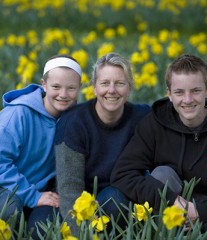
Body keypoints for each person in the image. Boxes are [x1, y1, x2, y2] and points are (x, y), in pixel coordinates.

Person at [111, 54, 207, 239]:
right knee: (162, 174)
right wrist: (171, 201)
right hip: (171, 208)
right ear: (169, 93)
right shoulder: (154, 124)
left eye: (196, 91)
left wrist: (198, 211)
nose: (188, 99)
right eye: (179, 92)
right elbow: (122, 174)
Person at [0, 54, 82, 237]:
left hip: (31, 190)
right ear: (44, 84)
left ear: (79, 88)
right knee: (10, 206)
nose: (63, 95)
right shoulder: (17, 115)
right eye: (56, 87)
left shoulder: (74, 118)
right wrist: (34, 197)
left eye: (71, 88)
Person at [54, 52, 151, 235]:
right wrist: (81, 235)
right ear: (94, 88)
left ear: (129, 87)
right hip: (84, 203)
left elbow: (180, 111)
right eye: (105, 83)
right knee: (39, 224)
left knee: (113, 199)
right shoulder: (74, 122)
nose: (112, 90)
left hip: (123, 200)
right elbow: (69, 189)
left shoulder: (143, 117)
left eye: (120, 83)